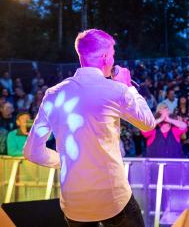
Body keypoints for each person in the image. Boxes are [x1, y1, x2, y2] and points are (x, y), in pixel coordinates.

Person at [23, 29, 155, 227]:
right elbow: (148, 122)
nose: (113, 60)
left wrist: (66, 160)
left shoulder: (52, 94)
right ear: (104, 57)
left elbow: (32, 151)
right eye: (112, 55)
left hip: (74, 203)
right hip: (112, 198)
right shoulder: (117, 90)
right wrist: (129, 86)